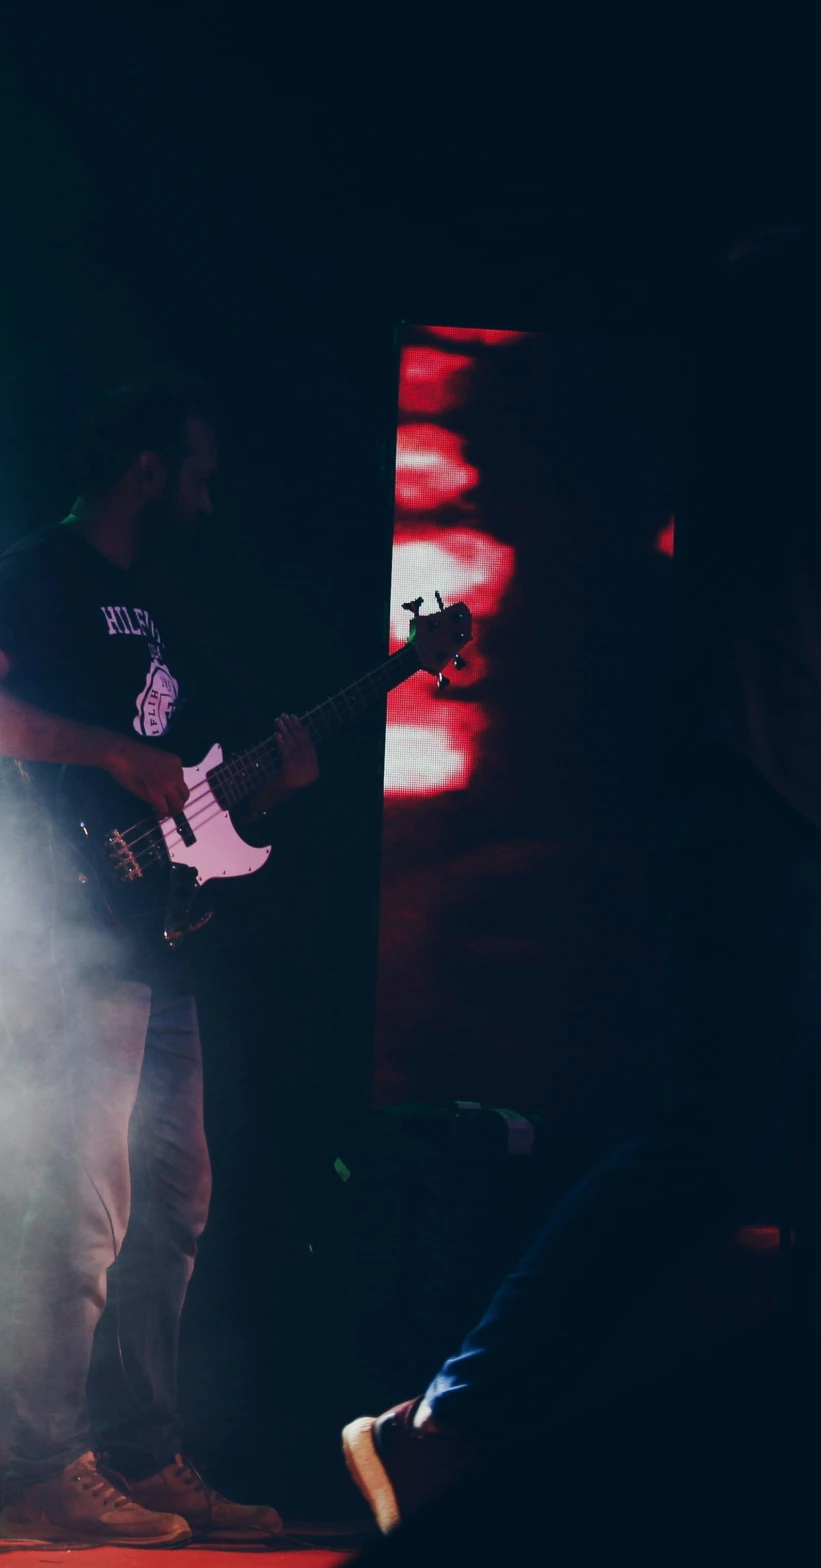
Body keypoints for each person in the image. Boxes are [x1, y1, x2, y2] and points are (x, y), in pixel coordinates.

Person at [339, 233, 821, 1542]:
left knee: (727, 1143)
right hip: (756, 782)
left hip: (760, 779)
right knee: (709, 1139)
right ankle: (449, 1425)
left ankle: (462, 1424)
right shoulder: (770, 340)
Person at [0, 381, 316, 1547]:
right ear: (146, 466)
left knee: (175, 1201)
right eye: (196, 473)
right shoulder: (43, 571)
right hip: (76, 930)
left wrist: (268, 782)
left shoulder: (152, 604)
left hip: (162, 940)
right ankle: (43, 1464)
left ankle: (140, 1453)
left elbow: (176, 784)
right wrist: (104, 747)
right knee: (90, 1201)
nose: (208, 496)